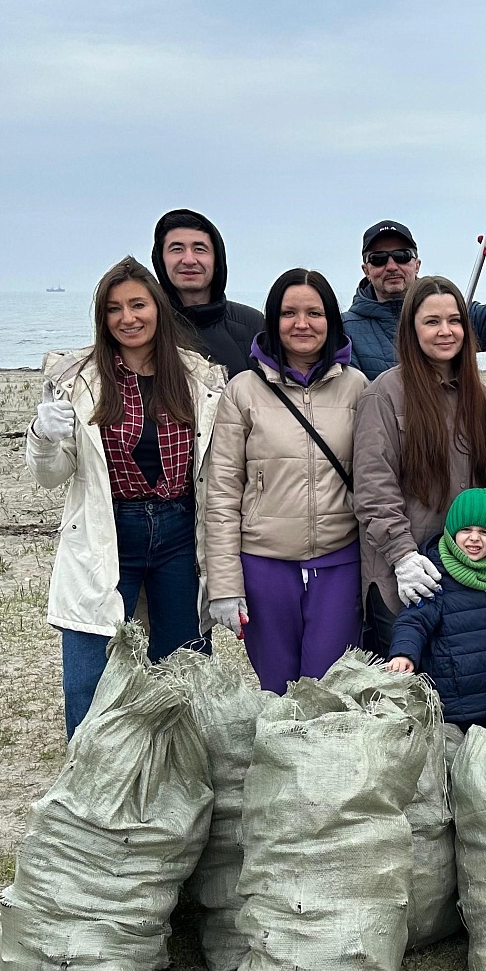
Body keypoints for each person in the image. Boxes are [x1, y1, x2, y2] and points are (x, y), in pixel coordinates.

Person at [26, 257, 224, 736]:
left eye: (138, 304)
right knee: (92, 671)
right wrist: (43, 436)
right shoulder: (78, 379)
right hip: (107, 529)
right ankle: (90, 778)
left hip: (179, 533)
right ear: (102, 318)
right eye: (114, 309)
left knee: (182, 667)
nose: (128, 318)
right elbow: (52, 476)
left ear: (158, 308)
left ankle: (180, 773)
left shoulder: (198, 377)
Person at [202, 268, 369, 694]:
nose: (302, 323)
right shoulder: (242, 391)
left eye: (314, 312)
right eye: (289, 312)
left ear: (331, 319)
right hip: (263, 562)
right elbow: (220, 493)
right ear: (272, 319)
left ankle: (323, 762)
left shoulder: (357, 387)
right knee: (276, 687)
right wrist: (223, 585)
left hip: (338, 559)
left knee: (327, 686)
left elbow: (374, 479)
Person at [352, 275, 486, 656]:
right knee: (407, 696)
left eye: (454, 320)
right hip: (404, 576)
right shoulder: (383, 394)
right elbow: (373, 488)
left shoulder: (478, 397)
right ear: (411, 329)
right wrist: (403, 557)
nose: (445, 331)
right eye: (431, 321)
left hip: (465, 570)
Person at [386, 488, 486, 734]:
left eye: (484, 532)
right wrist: (404, 654)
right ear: (452, 532)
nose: (474, 538)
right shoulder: (436, 576)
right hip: (455, 703)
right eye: (466, 530)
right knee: (459, 765)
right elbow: (414, 622)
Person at [342, 219, 486, 378]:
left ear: (417, 265)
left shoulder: (458, 313)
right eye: (378, 258)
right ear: (366, 270)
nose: (391, 266)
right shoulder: (344, 329)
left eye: (402, 256)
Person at [150, 209, 265, 379]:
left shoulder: (253, 325)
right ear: (161, 260)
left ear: (217, 258)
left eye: (199, 249)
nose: (189, 260)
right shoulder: (147, 326)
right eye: (177, 249)